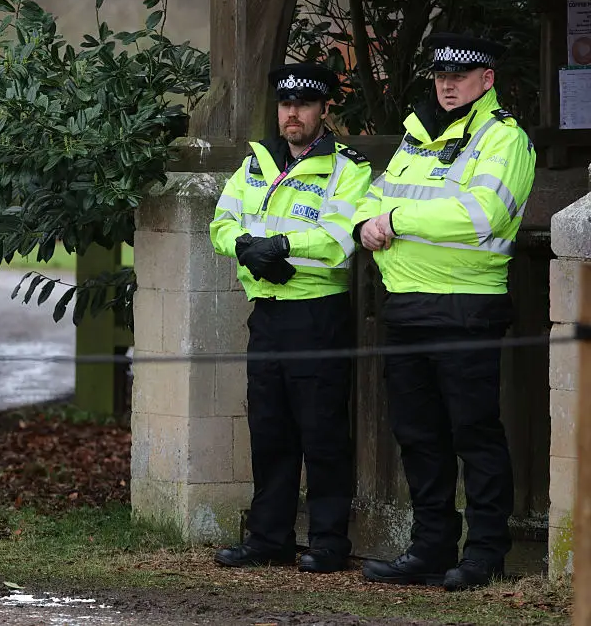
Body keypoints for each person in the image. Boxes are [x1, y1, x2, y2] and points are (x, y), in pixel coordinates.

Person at [352, 32, 536, 591]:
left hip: (467, 305)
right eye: (440, 76)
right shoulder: (417, 138)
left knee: (474, 434)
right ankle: (430, 550)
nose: (448, 85)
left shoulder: (504, 139)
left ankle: (485, 554)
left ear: (487, 79)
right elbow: (372, 195)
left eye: (460, 76)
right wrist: (365, 223)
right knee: (418, 436)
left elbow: (481, 216)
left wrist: (397, 220)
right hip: (405, 306)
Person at [209, 62, 372, 574]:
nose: (292, 114)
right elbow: (221, 220)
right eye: (285, 105)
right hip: (269, 314)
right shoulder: (256, 164)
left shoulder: (349, 168)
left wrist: (280, 245)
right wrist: (243, 247)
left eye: (303, 105)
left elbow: (337, 238)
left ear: (325, 110)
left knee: (321, 431)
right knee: (270, 428)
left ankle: (328, 542)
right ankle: (269, 537)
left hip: (317, 314)